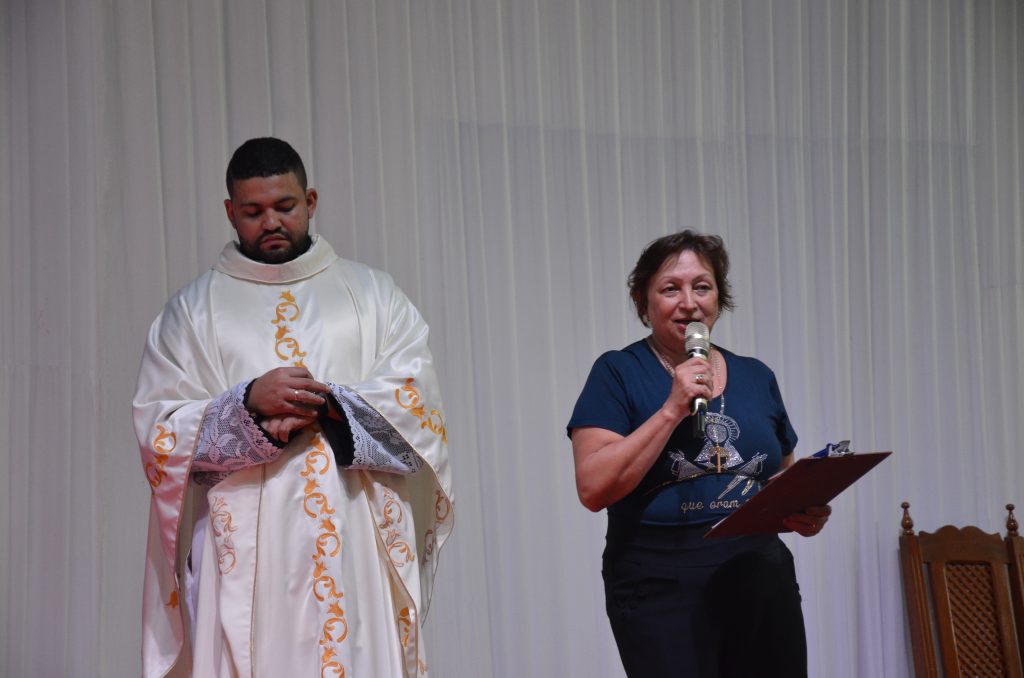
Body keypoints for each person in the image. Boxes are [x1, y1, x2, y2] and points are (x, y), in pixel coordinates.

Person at [133, 137, 453, 678]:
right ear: (230, 212)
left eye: (285, 206)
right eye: (253, 212)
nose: (271, 223)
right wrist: (247, 405)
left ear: (311, 200)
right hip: (244, 546)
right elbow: (159, 434)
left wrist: (328, 405)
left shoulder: (373, 295)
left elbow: (418, 410)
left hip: (353, 533)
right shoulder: (191, 313)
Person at [567, 230, 829, 677]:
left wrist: (803, 509)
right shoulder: (617, 372)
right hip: (660, 584)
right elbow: (593, 488)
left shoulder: (756, 375)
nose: (689, 303)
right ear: (643, 301)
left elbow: (778, 477)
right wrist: (672, 408)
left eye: (702, 287)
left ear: (719, 298)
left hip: (759, 576)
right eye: (671, 289)